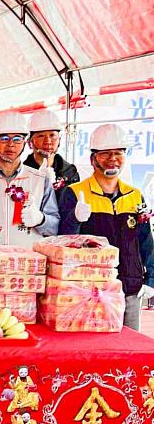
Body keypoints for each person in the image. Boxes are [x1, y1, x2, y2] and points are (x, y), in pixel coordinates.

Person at [58, 124, 154, 330]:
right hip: (90, 289)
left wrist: (151, 279)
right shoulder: (75, 192)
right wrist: (75, 219)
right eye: (105, 154)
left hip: (130, 286)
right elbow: (64, 241)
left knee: (129, 349)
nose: (112, 159)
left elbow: (146, 241)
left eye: (118, 153)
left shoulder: (134, 195)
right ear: (93, 159)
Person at [0, 112, 59, 247]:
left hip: (27, 262)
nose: (11, 145)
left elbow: (54, 227)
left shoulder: (40, 180)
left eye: (17, 139)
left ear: (25, 144)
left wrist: (40, 219)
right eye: (4, 138)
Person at [23, 110, 79, 201]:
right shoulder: (22, 173)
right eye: (41, 136)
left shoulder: (70, 172)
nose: (48, 141)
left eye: (52, 135)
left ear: (59, 140)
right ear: (30, 142)